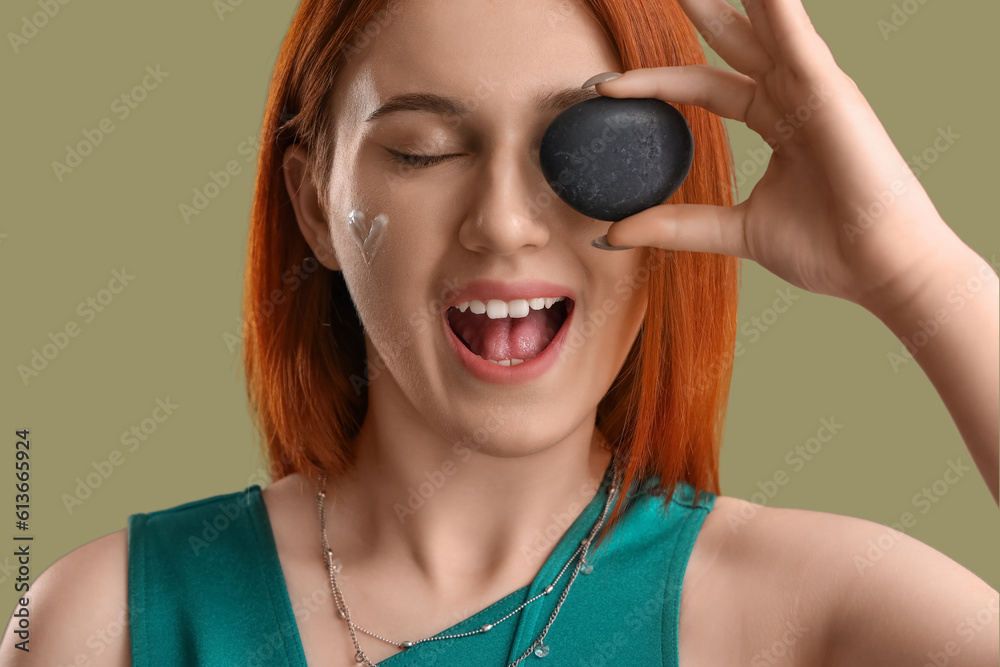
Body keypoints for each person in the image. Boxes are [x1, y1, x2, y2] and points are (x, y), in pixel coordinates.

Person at [2, 0, 997, 665]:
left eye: (588, 149)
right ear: (314, 202)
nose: (506, 223)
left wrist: (917, 274)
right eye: (424, 150)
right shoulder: (105, 623)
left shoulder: (805, 614)